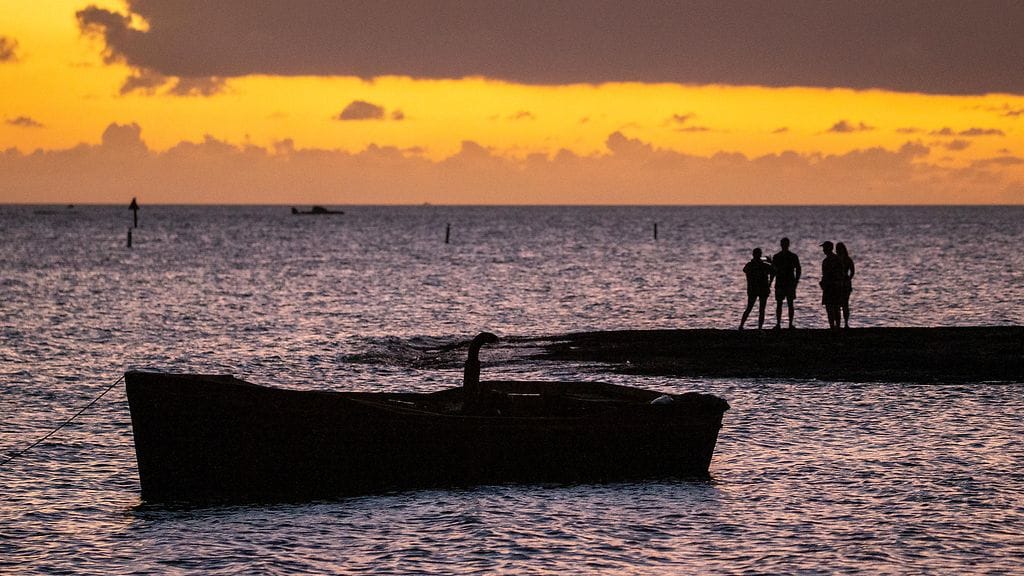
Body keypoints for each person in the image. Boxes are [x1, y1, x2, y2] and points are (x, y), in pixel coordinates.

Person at [739, 248, 774, 330]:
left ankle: (742, 326)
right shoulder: (762, 265)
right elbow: (774, 271)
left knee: (752, 308)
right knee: (757, 309)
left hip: (757, 289)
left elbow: (774, 271)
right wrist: (770, 262)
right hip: (758, 289)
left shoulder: (752, 265)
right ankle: (758, 328)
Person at [772, 237, 801, 329]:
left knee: (789, 304)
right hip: (781, 283)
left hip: (788, 283)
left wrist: (796, 281)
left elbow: (798, 269)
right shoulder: (777, 257)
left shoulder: (792, 256)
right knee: (780, 304)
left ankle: (789, 324)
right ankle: (779, 324)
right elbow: (773, 271)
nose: (784, 245)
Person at [819, 241, 844, 329]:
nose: (823, 250)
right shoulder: (830, 260)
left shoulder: (834, 260)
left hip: (833, 286)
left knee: (833, 307)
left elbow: (840, 273)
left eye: (824, 248)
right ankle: (834, 326)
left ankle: (834, 326)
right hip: (830, 286)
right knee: (832, 307)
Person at [836, 242, 855, 328]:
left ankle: (844, 323)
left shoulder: (845, 259)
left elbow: (852, 271)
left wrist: (848, 279)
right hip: (840, 283)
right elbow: (852, 271)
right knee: (842, 304)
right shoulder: (845, 259)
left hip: (843, 283)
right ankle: (842, 323)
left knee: (843, 304)